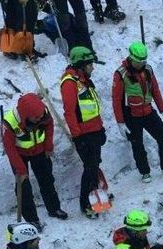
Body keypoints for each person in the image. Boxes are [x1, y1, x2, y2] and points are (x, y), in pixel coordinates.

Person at [112, 42, 163, 183]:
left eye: (144, 61)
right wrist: (120, 122)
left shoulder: (148, 69)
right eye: (138, 61)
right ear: (131, 58)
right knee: (138, 144)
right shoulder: (120, 74)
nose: (141, 64)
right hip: (131, 114)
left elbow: (155, 90)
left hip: (148, 111)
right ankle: (144, 171)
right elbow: (116, 101)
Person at [2, 94, 67, 229]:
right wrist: (21, 170)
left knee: (47, 180)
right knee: (24, 187)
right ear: (26, 116)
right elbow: (10, 149)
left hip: (39, 150)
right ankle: (32, 219)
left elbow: (49, 125)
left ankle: (54, 208)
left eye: (40, 116)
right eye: (36, 118)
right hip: (20, 155)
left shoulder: (42, 112)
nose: (39, 119)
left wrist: (48, 146)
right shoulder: (9, 122)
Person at [61, 46, 106, 218]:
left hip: (94, 130)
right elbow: (70, 112)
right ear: (81, 64)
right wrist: (77, 136)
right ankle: (86, 203)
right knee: (90, 167)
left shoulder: (83, 79)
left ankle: (95, 195)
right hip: (84, 134)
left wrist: (100, 128)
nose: (93, 67)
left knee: (94, 165)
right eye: (90, 64)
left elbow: (93, 107)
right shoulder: (70, 82)